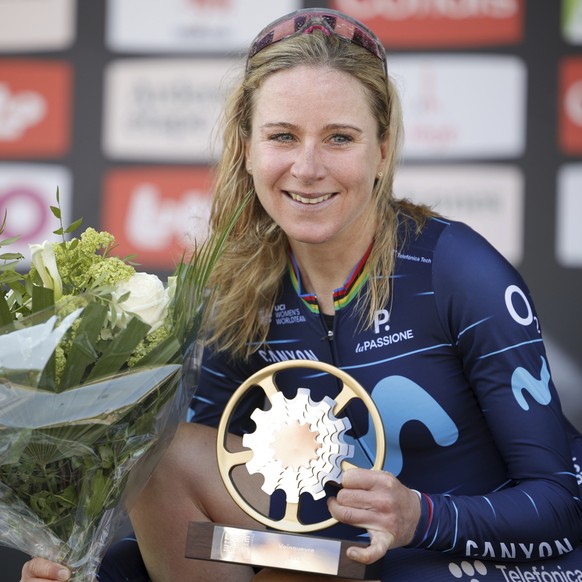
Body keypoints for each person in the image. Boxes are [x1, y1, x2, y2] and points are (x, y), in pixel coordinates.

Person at [21, 7, 582, 582]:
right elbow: (197, 533)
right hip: (334, 562)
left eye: (339, 138)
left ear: (382, 150)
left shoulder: (458, 269)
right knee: (167, 453)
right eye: (282, 136)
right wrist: (84, 571)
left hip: (469, 560)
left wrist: (419, 516)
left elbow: (562, 508)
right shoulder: (240, 292)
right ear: (246, 146)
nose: (307, 168)